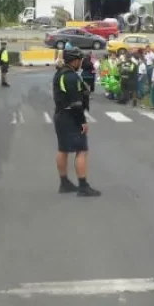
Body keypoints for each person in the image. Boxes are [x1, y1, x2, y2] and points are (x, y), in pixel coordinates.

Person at [53, 48, 100, 197]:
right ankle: (83, 186)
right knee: (81, 150)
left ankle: (64, 182)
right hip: (70, 116)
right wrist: (83, 121)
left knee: (63, 149)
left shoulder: (59, 73)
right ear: (74, 60)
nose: (81, 62)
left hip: (60, 114)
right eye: (79, 60)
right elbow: (76, 103)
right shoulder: (71, 77)